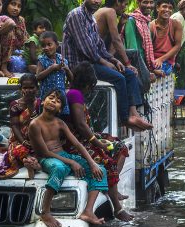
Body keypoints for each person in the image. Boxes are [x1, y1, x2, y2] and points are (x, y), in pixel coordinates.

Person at [62, 0, 152, 131]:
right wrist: (106, 62)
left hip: (93, 61)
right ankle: (125, 118)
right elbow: (86, 48)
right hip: (80, 65)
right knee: (119, 78)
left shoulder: (91, 17)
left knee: (129, 74)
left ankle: (134, 114)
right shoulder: (76, 15)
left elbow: (99, 45)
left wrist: (114, 60)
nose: (97, 1)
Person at [28, 89, 108, 227]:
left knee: (100, 170)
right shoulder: (35, 124)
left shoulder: (59, 123)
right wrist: (71, 162)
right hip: (47, 158)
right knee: (59, 168)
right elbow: (45, 152)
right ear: (43, 101)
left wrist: (92, 163)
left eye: (58, 101)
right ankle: (45, 212)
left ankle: (88, 211)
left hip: (63, 155)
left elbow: (78, 144)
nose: (53, 101)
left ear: (60, 108)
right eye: (51, 98)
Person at [64, 62, 133, 221]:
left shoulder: (73, 93)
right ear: (87, 83)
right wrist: (97, 142)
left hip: (83, 137)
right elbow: (81, 125)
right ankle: (117, 206)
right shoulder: (75, 95)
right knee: (107, 160)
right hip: (76, 143)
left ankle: (111, 187)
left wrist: (98, 138)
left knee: (119, 146)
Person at [7, 73, 41, 179]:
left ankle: (34, 165)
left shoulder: (41, 104)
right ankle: (30, 163)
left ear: (37, 88)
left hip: (37, 140)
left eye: (31, 87)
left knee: (43, 152)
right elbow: (15, 126)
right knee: (19, 150)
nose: (28, 90)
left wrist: (31, 107)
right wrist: (24, 142)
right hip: (19, 140)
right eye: (25, 87)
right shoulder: (15, 105)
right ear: (21, 89)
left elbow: (41, 124)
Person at [94, 0, 139, 74]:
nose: (125, 8)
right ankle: (145, 81)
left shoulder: (103, 10)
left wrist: (120, 25)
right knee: (134, 54)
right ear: (118, 2)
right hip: (98, 54)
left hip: (101, 52)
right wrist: (128, 64)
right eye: (125, 4)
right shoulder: (110, 11)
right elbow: (116, 40)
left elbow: (111, 37)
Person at [122, 0, 165, 78]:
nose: (148, 5)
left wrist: (151, 70)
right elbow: (133, 51)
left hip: (143, 64)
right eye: (145, 2)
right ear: (139, 3)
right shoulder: (131, 20)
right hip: (135, 66)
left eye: (151, 2)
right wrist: (146, 73)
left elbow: (146, 50)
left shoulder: (146, 20)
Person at [36, 31, 73, 116]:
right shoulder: (42, 60)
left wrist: (67, 70)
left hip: (61, 100)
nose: (46, 48)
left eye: (49, 44)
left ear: (57, 45)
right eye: (43, 46)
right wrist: (51, 68)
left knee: (60, 120)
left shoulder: (62, 59)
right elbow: (37, 77)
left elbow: (71, 79)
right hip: (47, 99)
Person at [0, 0, 30, 76]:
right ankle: (3, 67)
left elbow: (25, 39)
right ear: (6, 4)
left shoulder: (21, 20)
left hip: (17, 53)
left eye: (19, 6)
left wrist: (25, 53)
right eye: (13, 4)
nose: (16, 8)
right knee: (9, 33)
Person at [149, 0, 183, 75]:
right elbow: (147, 49)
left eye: (170, 8)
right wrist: (151, 67)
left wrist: (161, 59)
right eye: (164, 6)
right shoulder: (151, 26)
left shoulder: (176, 25)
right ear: (157, 8)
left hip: (167, 60)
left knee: (164, 69)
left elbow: (178, 46)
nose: (167, 10)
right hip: (153, 60)